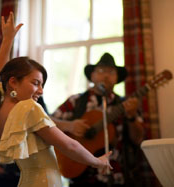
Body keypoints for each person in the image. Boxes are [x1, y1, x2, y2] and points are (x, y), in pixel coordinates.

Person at [0, 13, 112, 187]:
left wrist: (7, 40)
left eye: (42, 85)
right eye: (35, 83)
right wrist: (97, 161)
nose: (41, 91)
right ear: (13, 82)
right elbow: (69, 145)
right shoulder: (28, 108)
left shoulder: (0, 106)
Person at [52, 52, 146, 187]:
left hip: (117, 177)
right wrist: (69, 125)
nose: (106, 75)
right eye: (101, 71)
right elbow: (45, 121)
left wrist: (131, 117)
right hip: (82, 177)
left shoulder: (126, 104)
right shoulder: (76, 101)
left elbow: (138, 139)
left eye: (111, 72)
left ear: (117, 78)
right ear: (92, 76)